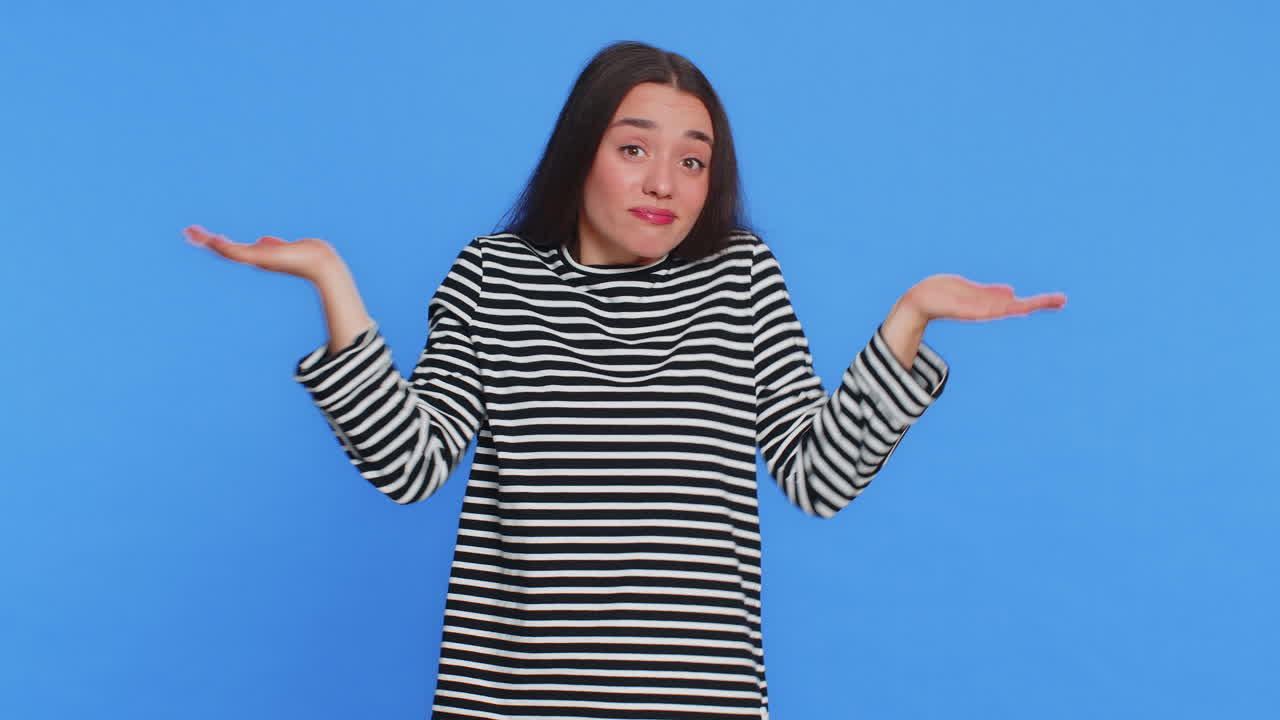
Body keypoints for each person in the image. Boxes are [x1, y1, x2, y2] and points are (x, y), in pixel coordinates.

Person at [185, 41, 1065, 720]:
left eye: (693, 160)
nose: (663, 182)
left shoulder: (741, 277)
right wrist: (332, 280)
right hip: (513, 704)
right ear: (581, 152)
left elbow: (818, 477)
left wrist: (908, 319)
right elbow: (409, 466)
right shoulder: (493, 277)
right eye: (634, 147)